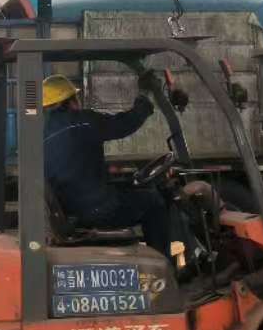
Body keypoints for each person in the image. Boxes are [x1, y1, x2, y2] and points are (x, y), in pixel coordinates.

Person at [41, 74, 178, 257]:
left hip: (73, 207)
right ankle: (163, 261)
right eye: (76, 98)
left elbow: (76, 166)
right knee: (154, 203)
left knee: (135, 194)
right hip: (95, 210)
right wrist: (145, 97)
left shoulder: (43, 132)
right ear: (69, 101)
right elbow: (124, 124)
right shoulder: (82, 122)